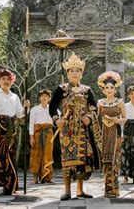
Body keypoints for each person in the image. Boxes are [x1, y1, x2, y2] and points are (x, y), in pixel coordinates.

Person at [49, 53, 100, 201]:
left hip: (83, 130)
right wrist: (56, 120)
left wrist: (88, 118)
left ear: (81, 73)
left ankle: (80, 190)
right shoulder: (61, 89)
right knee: (67, 159)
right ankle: (67, 191)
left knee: (83, 159)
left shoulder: (86, 90)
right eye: (72, 71)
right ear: (67, 73)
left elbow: (94, 108)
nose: (74, 73)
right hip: (67, 129)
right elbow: (52, 108)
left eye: (77, 70)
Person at [0, 68, 30, 197]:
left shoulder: (14, 96)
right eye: (3, 79)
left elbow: (20, 114)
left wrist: (26, 107)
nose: (6, 81)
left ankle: (10, 186)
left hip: (11, 130)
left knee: (10, 158)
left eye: (8, 79)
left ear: (12, 82)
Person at [96, 71, 126, 198]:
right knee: (106, 161)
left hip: (116, 133)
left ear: (115, 89)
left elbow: (124, 118)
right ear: (103, 90)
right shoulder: (100, 102)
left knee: (115, 161)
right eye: (107, 87)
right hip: (104, 134)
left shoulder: (119, 102)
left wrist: (115, 120)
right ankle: (107, 189)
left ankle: (114, 189)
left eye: (112, 87)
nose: (109, 89)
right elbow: (97, 119)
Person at [29, 89, 55, 184]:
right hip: (37, 133)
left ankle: (47, 177)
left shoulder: (53, 109)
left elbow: (60, 118)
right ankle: (35, 177)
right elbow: (31, 123)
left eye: (46, 96)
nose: (44, 98)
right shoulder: (34, 109)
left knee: (47, 154)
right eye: (42, 96)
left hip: (48, 133)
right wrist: (31, 137)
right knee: (36, 154)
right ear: (39, 98)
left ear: (49, 98)